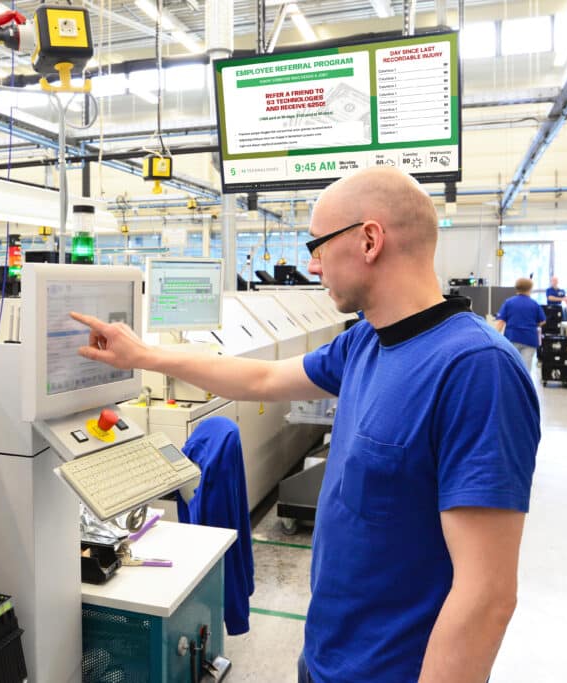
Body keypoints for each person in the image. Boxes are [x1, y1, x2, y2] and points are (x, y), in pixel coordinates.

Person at [70, 166, 539, 683]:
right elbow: (265, 376)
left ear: (368, 240)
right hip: (325, 661)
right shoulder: (366, 342)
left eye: (317, 244)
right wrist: (145, 355)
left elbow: (487, 595)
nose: (312, 265)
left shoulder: (475, 369)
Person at [494, 278, 546, 371]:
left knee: (512, 367)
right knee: (526, 368)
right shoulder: (534, 304)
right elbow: (542, 321)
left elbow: (500, 322)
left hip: (512, 338)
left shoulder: (509, 302)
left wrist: (494, 337)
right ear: (530, 289)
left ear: (517, 288)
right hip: (529, 339)